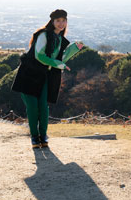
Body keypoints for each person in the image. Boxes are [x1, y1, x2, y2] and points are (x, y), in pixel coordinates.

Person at [12, 9, 83, 148]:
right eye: (58, 21)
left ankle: (43, 135)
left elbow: (59, 58)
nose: (61, 23)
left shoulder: (60, 39)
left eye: (63, 20)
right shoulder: (43, 35)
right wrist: (58, 64)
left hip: (43, 76)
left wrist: (74, 48)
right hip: (28, 75)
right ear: (52, 21)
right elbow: (40, 56)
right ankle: (34, 137)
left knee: (43, 107)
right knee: (32, 107)